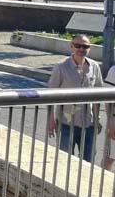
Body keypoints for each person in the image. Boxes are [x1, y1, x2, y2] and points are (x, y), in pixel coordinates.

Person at [46, 35, 115, 163]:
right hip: (66, 123)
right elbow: (50, 95)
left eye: (85, 46)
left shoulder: (94, 66)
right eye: (78, 45)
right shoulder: (61, 67)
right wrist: (51, 122)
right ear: (71, 46)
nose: (81, 49)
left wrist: (96, 119)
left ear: (90, 48)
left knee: (87, 161)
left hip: (88, 124)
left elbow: (97, 94)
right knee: (65, 160)